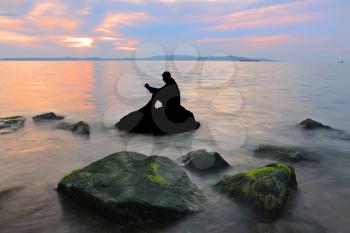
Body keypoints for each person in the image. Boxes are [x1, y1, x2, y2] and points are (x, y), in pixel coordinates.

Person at [115, 71, 200, 135]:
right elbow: (161, 91)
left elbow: (160, 92)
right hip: (170, 104)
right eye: (163, 78)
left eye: (164, 78)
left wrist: (149, 88)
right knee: (155, 96)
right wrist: (151, 89)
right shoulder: (170, 83)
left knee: (155, 98)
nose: (163, 79)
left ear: (167, 77)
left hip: (172, 107)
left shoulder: (171, 84)